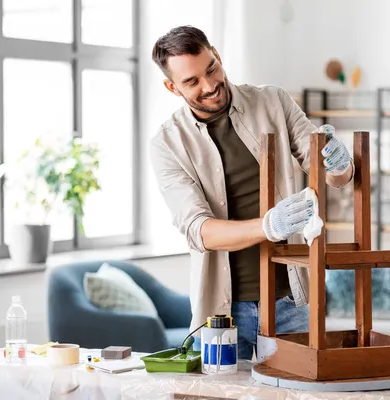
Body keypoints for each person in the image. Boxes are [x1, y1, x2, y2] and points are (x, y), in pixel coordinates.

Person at [150, 25, 354, 360]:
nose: (210, 85)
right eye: (192, 82)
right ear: (172, 87)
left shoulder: (272, 101)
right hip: (220, 314)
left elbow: (330, 172)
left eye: (211, 68)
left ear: (216, 53)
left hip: (290, 300)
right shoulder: (167, 144)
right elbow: (198, 229)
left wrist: (340, 164)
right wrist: (267, 226)